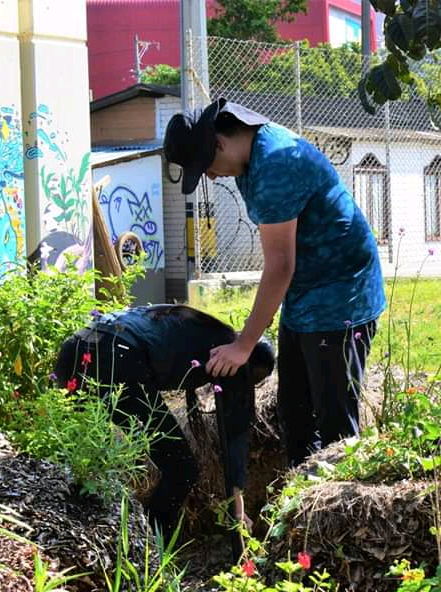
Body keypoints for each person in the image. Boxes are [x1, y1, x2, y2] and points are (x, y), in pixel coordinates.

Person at [162, 98, 385, 467]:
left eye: (207, 167)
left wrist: (243, 345)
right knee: (296, 415)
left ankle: (340, 507)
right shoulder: (255, 154)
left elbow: (280, 265)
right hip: (305, 292)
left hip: (341, 296)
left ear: (219, 143)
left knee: (335, 427)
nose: (213, 177)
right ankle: (303, 508)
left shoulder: (277, 163)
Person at [53, 304, 275, 537]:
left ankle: (77, 531)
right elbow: (235, 439)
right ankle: (153, 548)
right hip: (117, 355)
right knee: (181, 469)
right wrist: (237, 508)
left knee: (75, 455)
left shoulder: (206, 331)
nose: (246, 385)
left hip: (76, 347)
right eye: (255, 379)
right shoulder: (235, 358)